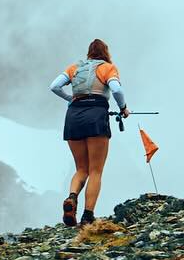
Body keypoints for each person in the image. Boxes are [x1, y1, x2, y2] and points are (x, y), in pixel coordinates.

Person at [50, 39, 130, 226]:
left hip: (73, 117)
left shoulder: (74, 68)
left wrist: (70, 98)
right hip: (96, 116)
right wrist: (124, 107)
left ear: (89, 53)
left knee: (81, 169)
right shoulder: (108, 68)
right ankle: (87, 216)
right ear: (105, 53)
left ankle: (71, 197)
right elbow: (116, 89)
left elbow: (54, 86)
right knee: (96, 170)